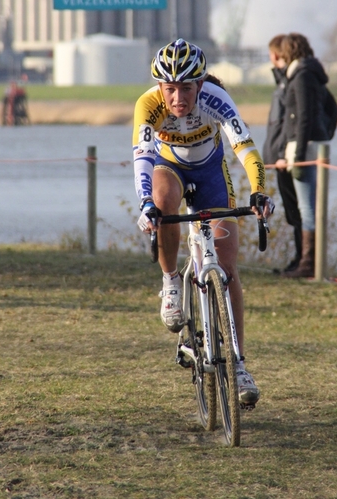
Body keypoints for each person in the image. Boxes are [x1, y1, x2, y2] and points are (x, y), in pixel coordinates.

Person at [132, 38, 273, 406]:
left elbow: (246, 148)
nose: (178, 97)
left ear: (200, 84)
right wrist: (146, 203)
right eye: (170, 88)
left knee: (227, 266)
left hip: (211, 173)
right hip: (169, 169)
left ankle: (239, 364)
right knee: (164, 204)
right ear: (160, 88)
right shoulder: (148, 106)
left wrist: (258, 192)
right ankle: (171, 283)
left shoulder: (216, 99)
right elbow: (143, 158)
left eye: (186, 88)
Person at [276, 33, 331, 278]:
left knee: (306, 207)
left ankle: (308, 264)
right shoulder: (309, 74)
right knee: (307, 206)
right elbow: (331, 109)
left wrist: (297, 154)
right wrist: (325, 134)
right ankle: (308, 263)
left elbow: (305, 116)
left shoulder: (302, 76)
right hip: (309, 145)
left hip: (302, 148)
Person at [262, 34, 303, 273]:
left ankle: (303, 261)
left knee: (297, 211)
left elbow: (289, 123)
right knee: (292, 211)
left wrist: (280, 153)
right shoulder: (284, 81)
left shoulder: (291, 81)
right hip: (278, 158)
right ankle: (300, 260)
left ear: (276, 55)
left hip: (283, 158)